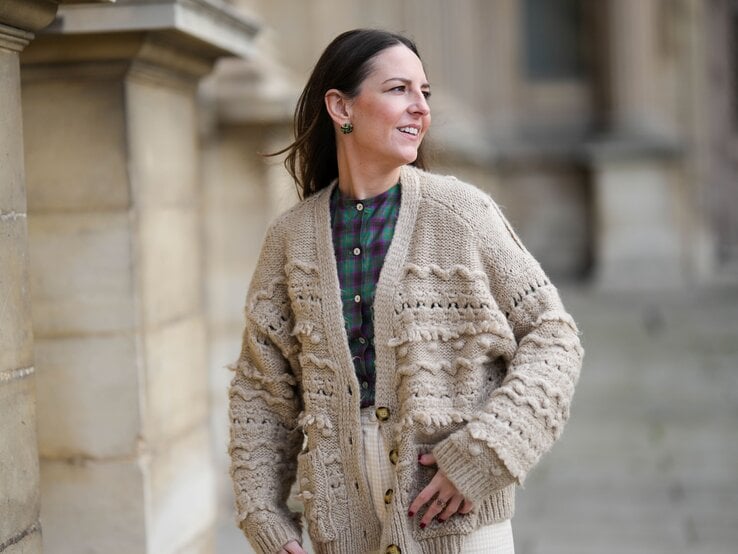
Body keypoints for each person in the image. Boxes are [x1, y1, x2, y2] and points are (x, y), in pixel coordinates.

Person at [228, 29, 584, 554]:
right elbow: (261, 391)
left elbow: (554, 337)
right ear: (340, 106)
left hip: (458, 522)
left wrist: (487, 453)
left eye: (426, 93)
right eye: (399, 90)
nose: (420, 108)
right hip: (340, 528)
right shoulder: (290, 239)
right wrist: (264, 513)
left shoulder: (462, 214)